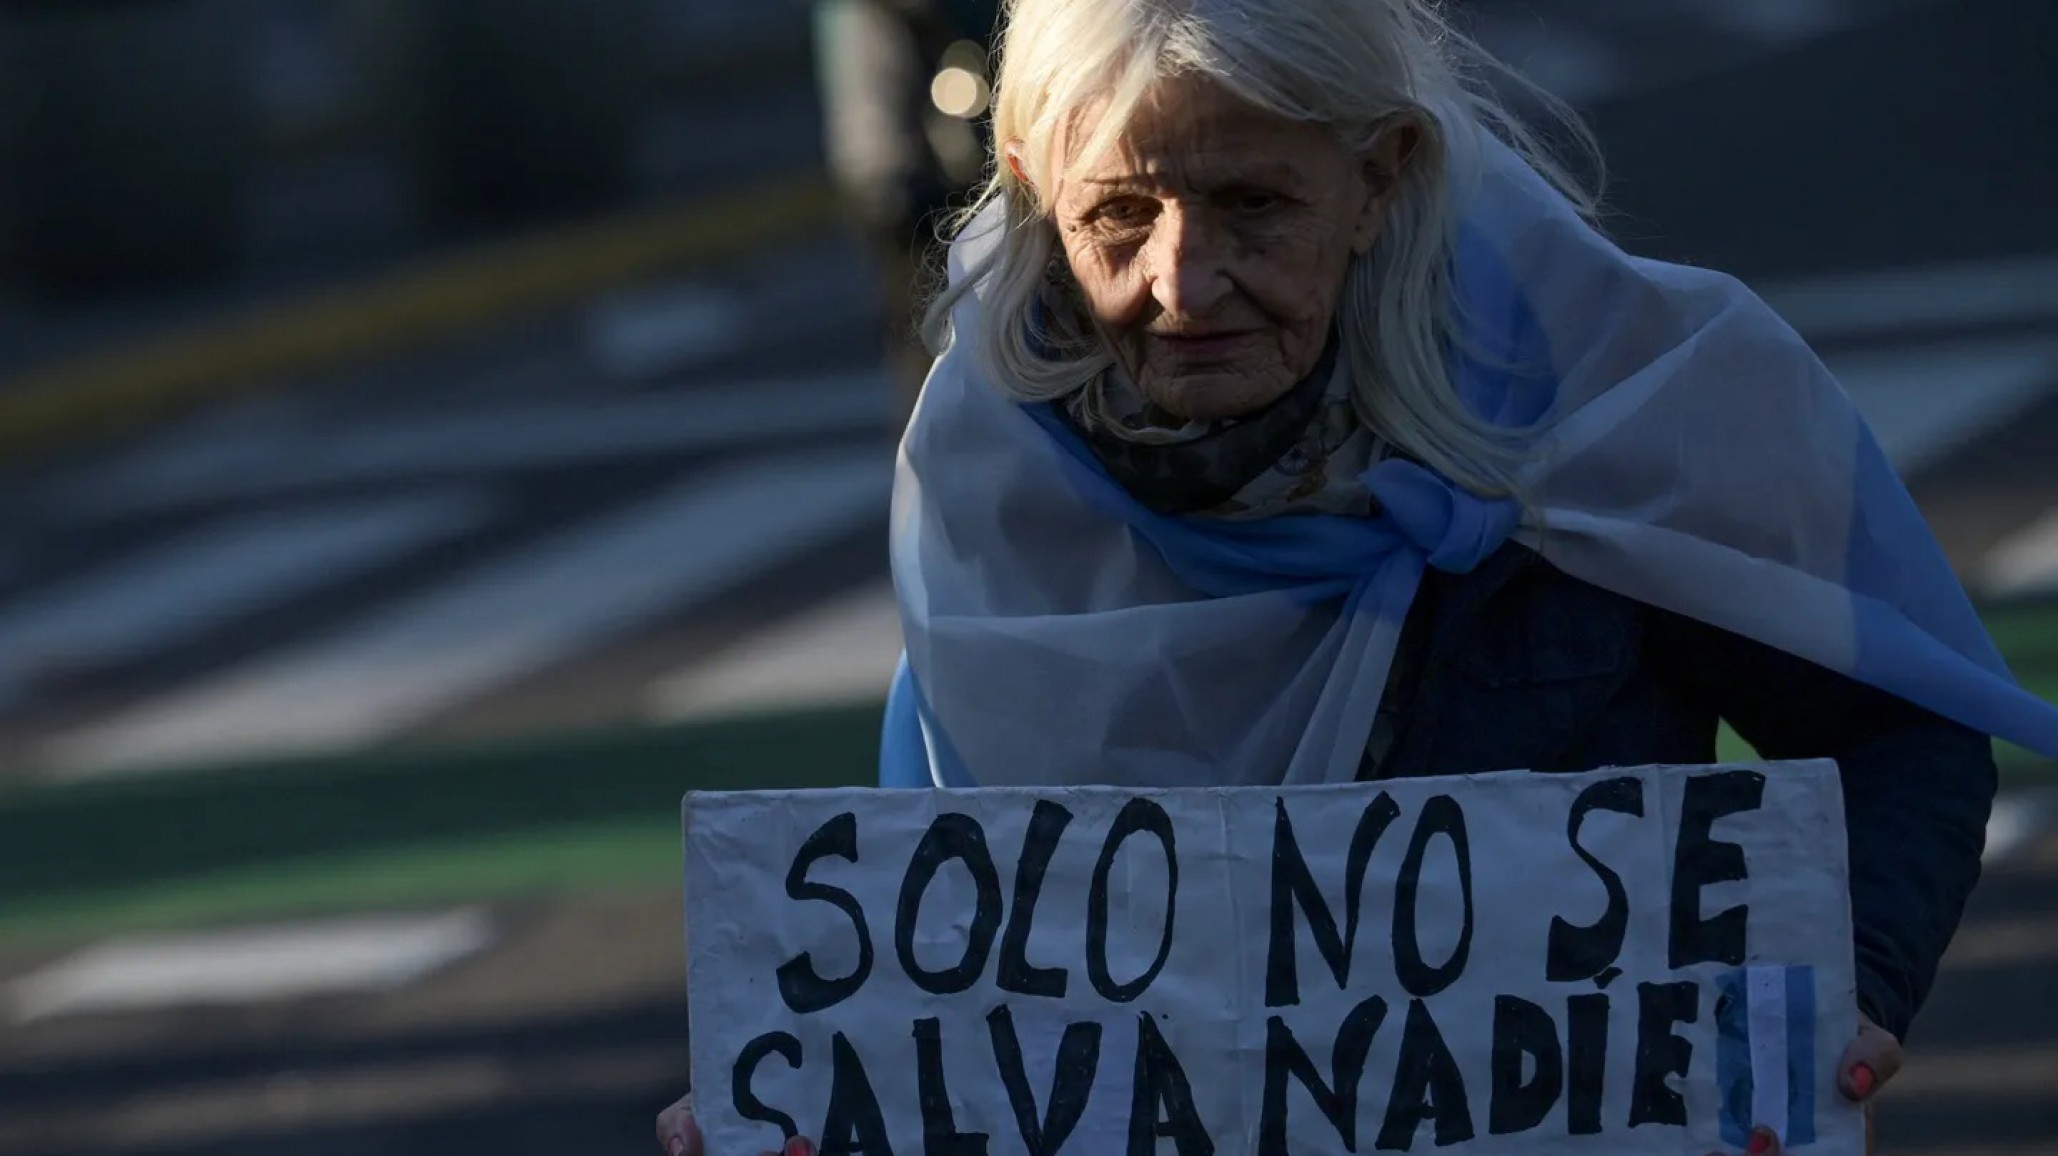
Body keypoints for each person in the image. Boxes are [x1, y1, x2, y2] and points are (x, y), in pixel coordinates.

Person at [663, 1, 2058, 1153]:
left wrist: (1842, 992)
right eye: (1119, 217)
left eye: (1253, 205)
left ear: (1380, 174)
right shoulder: (984, 487)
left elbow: (1896, 728)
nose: (1184, 282)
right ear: (1030, 191)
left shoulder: (1613, 395)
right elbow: (971, 968)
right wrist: (804, 1089)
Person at [810, 0, 1003, 413]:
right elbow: (873, 137)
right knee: (932, 356)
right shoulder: (869, 15)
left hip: (937, 191)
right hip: (915, 204)